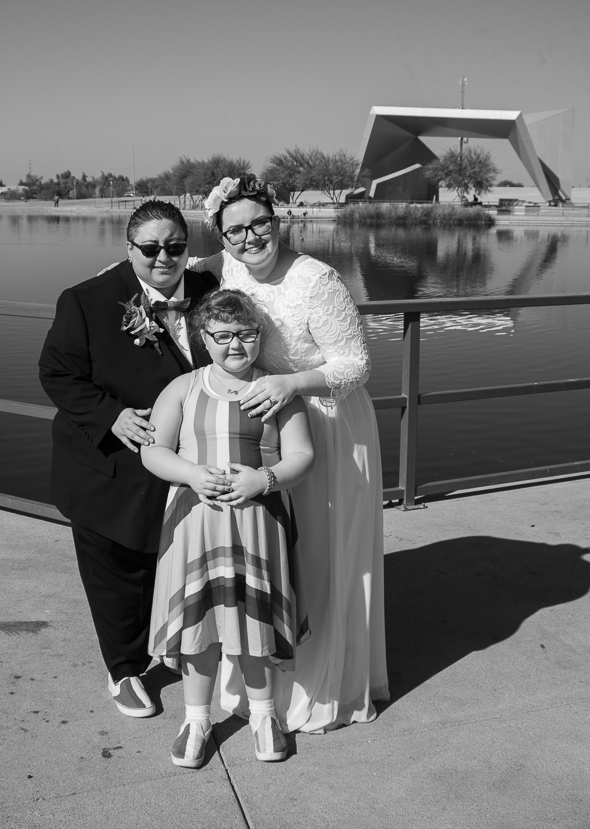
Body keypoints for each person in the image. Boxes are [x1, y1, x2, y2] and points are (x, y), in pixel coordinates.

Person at [188, 174, 389, 733]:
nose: (249, 238)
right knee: (267, 549)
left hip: (325, 421)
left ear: (278, 221)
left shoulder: (316, 279)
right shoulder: (230, 266)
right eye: (234, 230)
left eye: (259, 224)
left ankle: (320, 686)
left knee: (319, 554)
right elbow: (182, 266)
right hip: (266, 425)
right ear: (223, 237)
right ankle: (262, 680)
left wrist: (292, 383)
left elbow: (356, 365)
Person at [39, 201, 217, 720]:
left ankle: (178, 643)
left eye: (175, 246)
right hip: (111, 465)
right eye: (151, 247)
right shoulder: (86, 300)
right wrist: (110, 416)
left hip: (186, 461)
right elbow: (57, 373)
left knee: (181, 561)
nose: (164, 257)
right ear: (129, 247)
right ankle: (124, 669)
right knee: (119, 572)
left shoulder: (210, 292)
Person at [142, 289, 314, 767]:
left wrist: (264, 479)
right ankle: (196, 719)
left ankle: (263, 716)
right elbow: (153, 451)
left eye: (246, 334)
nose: (235, 345)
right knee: (198, 624)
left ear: (259, 335)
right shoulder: (183, 388)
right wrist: (192, 474)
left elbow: (303, 456)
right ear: (203, 337)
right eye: (222, 336)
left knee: (255, 621)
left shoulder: (277, 391)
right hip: (195, 523)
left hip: (260, 523)